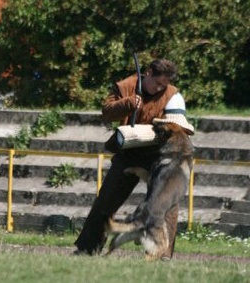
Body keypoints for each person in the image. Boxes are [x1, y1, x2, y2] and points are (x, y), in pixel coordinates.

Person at [74, 58, 194, 259]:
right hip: (129, 153)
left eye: (163, 85)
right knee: (106, 201)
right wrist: (129, 103)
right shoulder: (125, 86)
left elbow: (176, 127)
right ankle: (87, 249)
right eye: (157, 83)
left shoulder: (172, 94)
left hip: (158, 155)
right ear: (148, 72)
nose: (159, 89)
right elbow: (106, 112)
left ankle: (163, 255)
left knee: (168, 205)